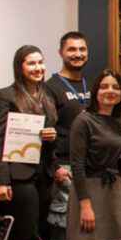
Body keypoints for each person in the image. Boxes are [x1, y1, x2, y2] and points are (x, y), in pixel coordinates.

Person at [0, 45, 62, 240]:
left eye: (40, 62)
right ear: (19, 67)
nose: (38, 68)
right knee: (25, 233)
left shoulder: (47, 97)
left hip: (44, 175)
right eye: (31, 63)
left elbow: (51, 139)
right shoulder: (5, 96)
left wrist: (53, 138)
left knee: (45, 231)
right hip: (19, 177)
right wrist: (0, 182)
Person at [67, 69, 121, 240]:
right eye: (104, 87)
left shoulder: (118, 122)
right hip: (90, 190)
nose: (110, 91)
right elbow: (77, 166)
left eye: (115, 87)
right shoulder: (83, 121)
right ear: (95, 91)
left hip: (114, 189)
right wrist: (85, 204)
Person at [44, 31, 90, 171]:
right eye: (71, 49)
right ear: (61, 53)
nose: (78, 54)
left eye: (82, 49)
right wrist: (55, 167)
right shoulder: (50, 87)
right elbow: (47, 131)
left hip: (89, 161)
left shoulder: (91, 85)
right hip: (65, 164)